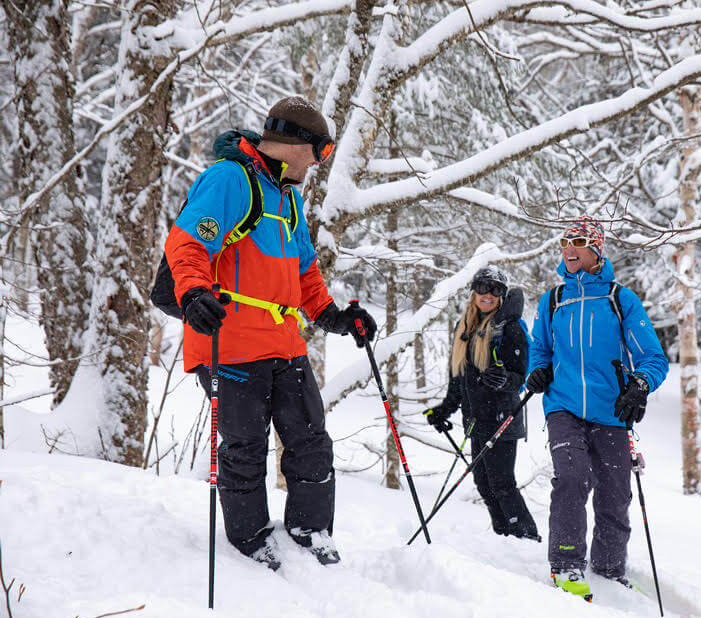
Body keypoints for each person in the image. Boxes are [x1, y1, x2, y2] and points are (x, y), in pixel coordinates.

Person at [163, 96, 377, 570]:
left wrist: (333, 316)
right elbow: (188, 242)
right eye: (320, 153)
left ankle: (310, 528)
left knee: (310, 440)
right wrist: (195, 292)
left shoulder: (288, 197)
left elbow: (304, 272)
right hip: (229, 338)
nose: (320, 163)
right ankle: (250, 539)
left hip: (282, 340)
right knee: (245, 447)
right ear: (297, 145)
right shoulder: (229, 179)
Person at [526, 216, 668, 598]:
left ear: (596, 250)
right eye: (565, 243)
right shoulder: (554, 299)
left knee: (615, 492)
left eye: (578, 242)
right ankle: (567, 565)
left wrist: (640, 385)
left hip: (612, 411)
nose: (568, 249)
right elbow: (538, 348)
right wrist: (536, 371)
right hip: (564, 406)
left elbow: (653, 358)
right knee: (572, 478)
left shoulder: (620, 299)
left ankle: (608, 569)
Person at [424, 267, 541, 541]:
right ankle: (505, 538)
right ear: (474, 291)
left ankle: (526, 539)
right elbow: (458, 377)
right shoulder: (464, 327)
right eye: (483, 287)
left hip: (502, 417)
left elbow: (523, 375)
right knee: (484, 484)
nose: (488, 294)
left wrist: (504, 380)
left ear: (502, 295)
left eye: (496, 289)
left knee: (502, 484)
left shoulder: (509, 328)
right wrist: (445, 408)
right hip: (476, 418)